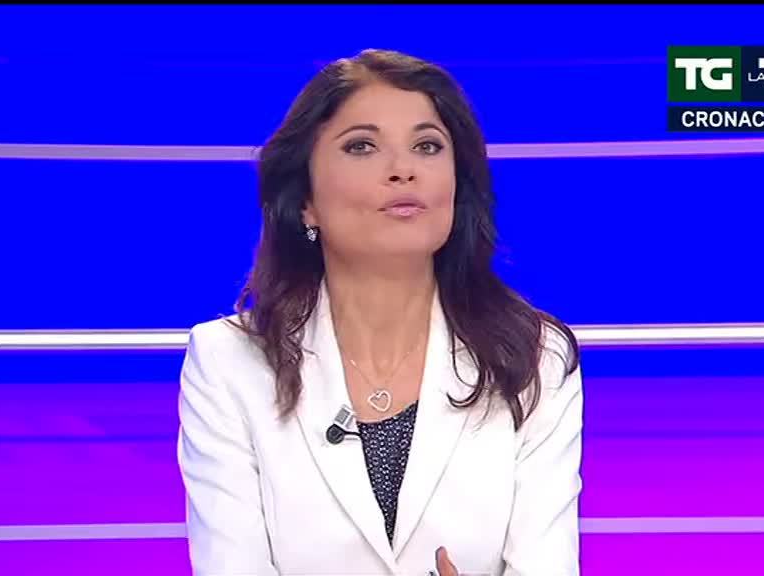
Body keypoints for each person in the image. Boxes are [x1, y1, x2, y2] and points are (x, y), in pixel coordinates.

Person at [177, 48, 584, 576]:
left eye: (427, 146)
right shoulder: (229, 361)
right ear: (305, 200)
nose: (403, 170)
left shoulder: (533, 357)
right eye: (362, 146)